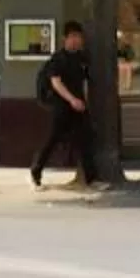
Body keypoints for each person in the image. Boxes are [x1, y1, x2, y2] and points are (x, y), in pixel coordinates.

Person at [31, 19, 94, 189]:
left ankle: (91, 179)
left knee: (85, 139)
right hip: (62, 106)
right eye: (72, 36)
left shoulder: (82, 59)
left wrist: (83, 101)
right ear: (64, 39)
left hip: (79, 106)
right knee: (53, 139)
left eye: (78, 37)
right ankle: (36, 171)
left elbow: (86, 81)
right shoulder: (58, 59)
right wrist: (72, 100)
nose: (76, 40)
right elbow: (56, 82)